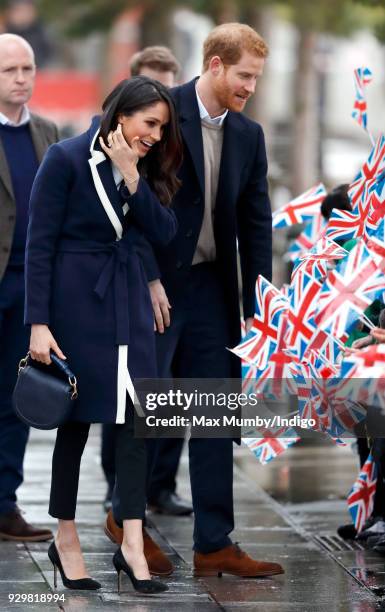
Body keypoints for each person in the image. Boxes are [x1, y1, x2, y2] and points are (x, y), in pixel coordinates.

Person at [107, 22, 284, 579]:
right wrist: (147, 279)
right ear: (213, 65)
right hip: (156, 287)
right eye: (244, 75)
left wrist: (260, 311)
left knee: (214, 413)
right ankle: (125, 520)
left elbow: (256, 227)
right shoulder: (160, 113)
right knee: (149, 413)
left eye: (256, 77)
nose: (251, 87)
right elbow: (126, 198)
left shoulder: (249, 136)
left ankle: (215, 542)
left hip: (213, 290)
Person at [25, 76, 182, 593]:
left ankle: (132, 543)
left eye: (162, 127)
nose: (156, 135)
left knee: (138, 421)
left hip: (128, 304)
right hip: (76, 305)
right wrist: (39, 324)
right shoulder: (65, 158)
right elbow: (40, 244)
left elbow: (163, 236)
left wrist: (133, 178)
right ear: (122, 114)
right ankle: (64, 536)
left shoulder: (145, 167)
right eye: (149, 123)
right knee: (75, 421)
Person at [101, 44, 192, 519]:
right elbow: (123, 235)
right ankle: (119, 489)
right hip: (119, 287)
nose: (157, 130)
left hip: (171, 285)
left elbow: (160, 225)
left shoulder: (161, 154)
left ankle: (159, 485)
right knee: (124, 394)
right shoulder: (86, 156)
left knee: (169, 391)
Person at [0, 33, 58, 542]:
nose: (21, 78)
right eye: (10, 70)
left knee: (15, 400)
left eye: (28, 68)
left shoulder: (47, 132)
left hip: (27, 290)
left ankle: (4, 505)